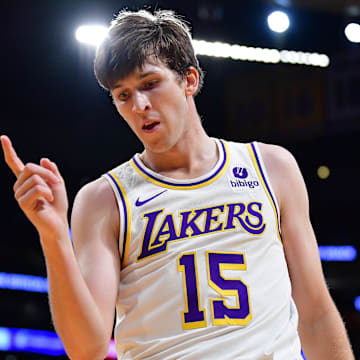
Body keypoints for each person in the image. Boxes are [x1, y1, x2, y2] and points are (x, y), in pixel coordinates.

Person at [1, 8, 354, 360]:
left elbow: (316, 312)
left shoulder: (271, 167)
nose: (138, 105)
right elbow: (87, 348)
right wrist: (54, 236)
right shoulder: (103, 199)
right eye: (123, 95)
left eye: (149, 84)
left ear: (189, 80)